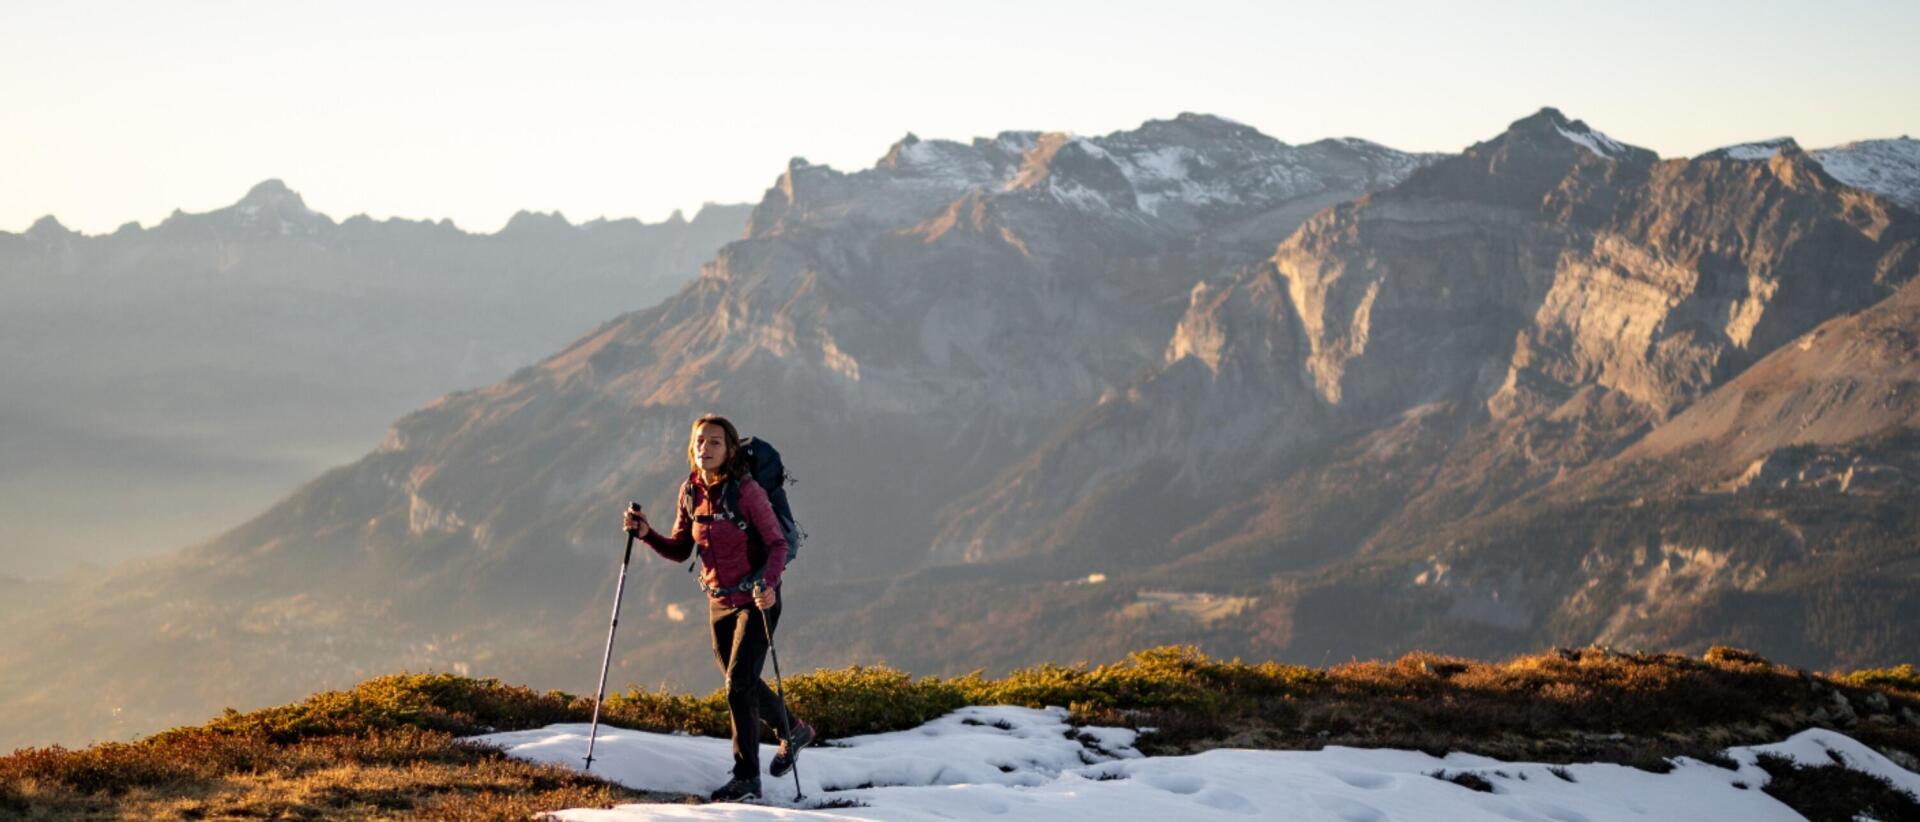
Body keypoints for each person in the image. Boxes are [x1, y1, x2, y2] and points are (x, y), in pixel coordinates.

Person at [623, 414, 813, 802]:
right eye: (699, 442)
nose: (704, 449)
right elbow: (680, 550)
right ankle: (793, 730)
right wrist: (647, 535)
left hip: (757, 600)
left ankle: (747, 778)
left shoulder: (747, 492)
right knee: (739, 682)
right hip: (719, 601)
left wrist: (769, 584)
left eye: (713, 442)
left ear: (729, 451)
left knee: (737, 687)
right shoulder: (690, 491)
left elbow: (777, 545)